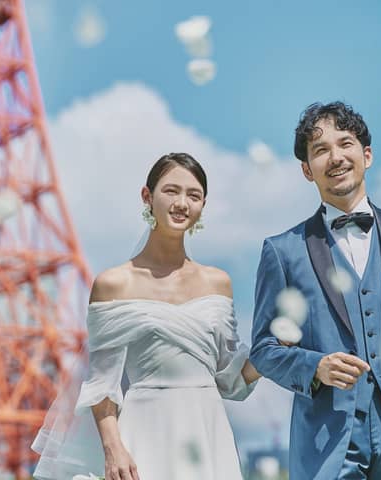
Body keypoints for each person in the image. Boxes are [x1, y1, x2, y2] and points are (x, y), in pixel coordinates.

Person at [250, 102, 381, 479]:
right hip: (328, 443)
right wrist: (316, 366)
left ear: (367, 155)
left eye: (345, 144)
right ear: (306, 170)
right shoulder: (282, 251)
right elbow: (264, 348)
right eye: (320, 150)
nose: (335, 157)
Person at [32, 152, 260, 480]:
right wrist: (113, 450)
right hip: (145, 432)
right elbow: (101, 383)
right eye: (171, 191)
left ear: (202, 206)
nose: (182, 202)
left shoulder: (218, 282)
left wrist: (275, 349)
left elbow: (229, 378)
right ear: (147, 196)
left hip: (209, 431)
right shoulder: (114, 284)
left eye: (193, 195)